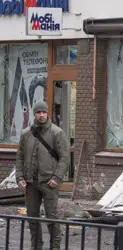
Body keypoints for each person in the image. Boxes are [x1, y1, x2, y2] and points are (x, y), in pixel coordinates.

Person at [16, 101, 70, 250]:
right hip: (30, 182)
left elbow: (65, 158)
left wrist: (57, 178)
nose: (41, 115)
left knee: (52, 217)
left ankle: (55, 247)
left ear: (47, 114)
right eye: (38, 112)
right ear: (34, 114)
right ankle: (36, 246)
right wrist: (20, 178)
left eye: (44, 112)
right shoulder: (26, 134)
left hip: (49, 182)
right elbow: (19, 157)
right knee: (32, 218)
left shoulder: (57, 132)